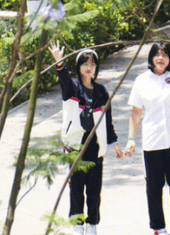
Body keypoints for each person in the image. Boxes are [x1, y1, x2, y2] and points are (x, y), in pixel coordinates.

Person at [125, 28, 170, 235]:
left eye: (165, 54)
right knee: (153, 188)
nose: (160, 58)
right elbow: (135, 112)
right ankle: (158, 228)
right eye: (157, 54)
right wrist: (131, 138)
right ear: (151, 57)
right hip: (153, 141)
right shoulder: (141, 81)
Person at [49, 42, 124, 235]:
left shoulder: (101, 92)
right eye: (85, 64)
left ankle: (92, 224)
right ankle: (76, 224)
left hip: (95, 147)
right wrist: (59, 62)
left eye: (92, 64)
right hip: (75, 146)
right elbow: (64, 80)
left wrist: (113, 143)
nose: (89, 68)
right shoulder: (72, 89)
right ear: (79, 67)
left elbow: (107, 121)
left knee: (93, 188)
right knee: (76, 187)